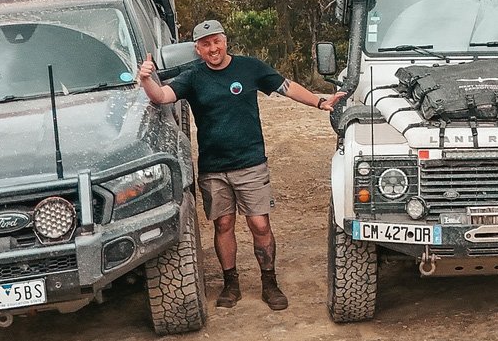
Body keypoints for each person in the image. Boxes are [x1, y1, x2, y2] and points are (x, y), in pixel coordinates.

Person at [138, 19, 344, 311]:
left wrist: (319, 102)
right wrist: (147, 79)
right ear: (198, 49)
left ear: (225, 41)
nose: (213, 48)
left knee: (259, 224)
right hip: (214, 168)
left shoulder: (250, 67)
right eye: (206, 44)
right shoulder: (192, 76)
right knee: (223, 224)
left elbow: (286, 87)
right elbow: (162, 97)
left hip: (251, 162)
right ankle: (230, 283)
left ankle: (269, 282)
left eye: (217, 41)